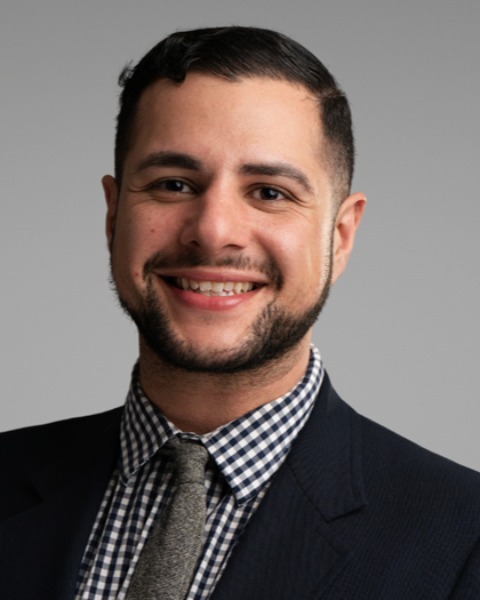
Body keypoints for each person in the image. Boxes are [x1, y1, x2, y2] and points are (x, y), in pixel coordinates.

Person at [1, 26, 479, 600]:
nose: (213, 231)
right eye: (174, 184)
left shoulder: (463, 537)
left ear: (341, 234)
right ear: (113, 215)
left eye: (270, 192)